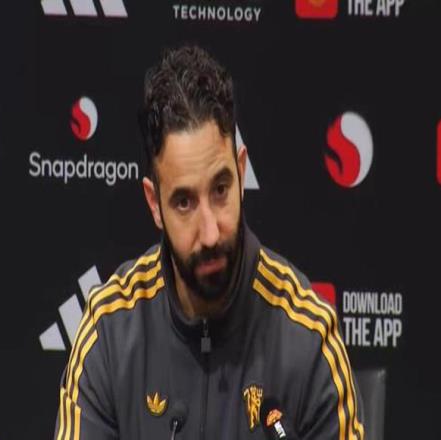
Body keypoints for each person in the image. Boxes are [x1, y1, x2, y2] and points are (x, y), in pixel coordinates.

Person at [54, 45, 364, 440]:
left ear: (241, 173)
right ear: (155, 204)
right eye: (184, 202)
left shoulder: (308, 334)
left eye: (220, 190)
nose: (211, 233)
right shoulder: (109, 331)